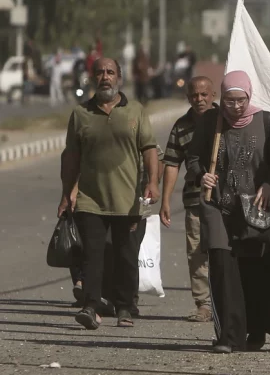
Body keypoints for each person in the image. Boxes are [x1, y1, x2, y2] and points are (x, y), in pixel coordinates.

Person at [187, 71, 270, 354]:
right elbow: (194, 156)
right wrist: (201, 176)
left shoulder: (267, 122)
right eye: (229, 100)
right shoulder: (211, 122)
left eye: (240, 100)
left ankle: (255, 330)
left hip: (255, 209)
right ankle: (227, 336)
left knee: (255, 271)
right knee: (222, 267)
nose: (234, 106)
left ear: (249, 96)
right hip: (218, 207)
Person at [59, 58, 160, 329]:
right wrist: (66, 193)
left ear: (119, 78)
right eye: (100, 72)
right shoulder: (81, 114)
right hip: (90, 200)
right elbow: (71, 157)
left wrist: (153, 183)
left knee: (126, 256)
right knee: (92, 254)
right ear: (93, 78)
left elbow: (149, 149)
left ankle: (125, 306)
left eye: (111, 72)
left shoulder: (135, 111)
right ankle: (91, 306)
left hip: (128, 200)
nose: (105, 77)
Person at [160, 77, 217, 322]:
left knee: (224, 252)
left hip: (224, 202)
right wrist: (165, 201)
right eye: (194, 95)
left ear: (212, 95)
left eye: (204, 95)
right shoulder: (181, 127)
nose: (199, 99)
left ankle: (226, 299)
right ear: (188, 98)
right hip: (194, 201)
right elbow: (172, 163)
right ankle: (203, 303)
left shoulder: (224, 121)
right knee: (196, 253)